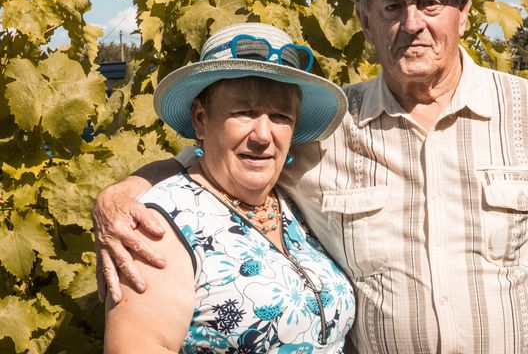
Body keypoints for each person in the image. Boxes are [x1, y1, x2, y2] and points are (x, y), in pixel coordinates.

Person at [94, 0, 528, 353]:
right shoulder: (329, 129)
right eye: (391, 6)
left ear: (463, 12)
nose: (412, 23)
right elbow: (219, 161)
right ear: (365, 21)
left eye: (431, 1)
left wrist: (526, 337)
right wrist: (130, 190)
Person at [103, 23, 355, 353]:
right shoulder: (159, 229)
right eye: (244, 112)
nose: (263, 135)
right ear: (200, 118)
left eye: (280, 116)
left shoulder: (292, 202)